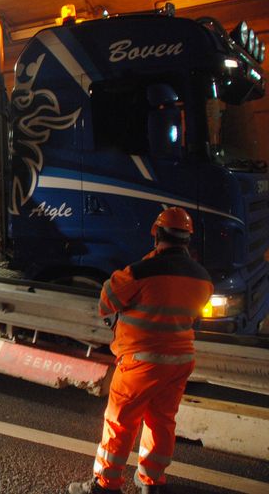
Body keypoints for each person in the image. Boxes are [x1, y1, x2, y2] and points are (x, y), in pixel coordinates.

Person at [68, 207, 213, 494]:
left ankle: (106, 486)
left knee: (120, 422)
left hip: (141, 361)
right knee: (161, 422)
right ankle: (152, 482)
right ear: (187, 239)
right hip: (180, 361)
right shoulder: (203, 279)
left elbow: (106, 301)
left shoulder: (139, 271)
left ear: (157, 234)